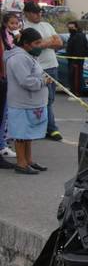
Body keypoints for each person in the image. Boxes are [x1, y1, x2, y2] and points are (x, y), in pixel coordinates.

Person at [4, 28, 51, 175]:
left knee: (27, 135)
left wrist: (42, 79)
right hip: (21, 103)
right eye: (36, 43)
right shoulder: (18, 58)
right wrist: (43, 82)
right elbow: (25, 81)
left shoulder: (28, 55)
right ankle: (21, 163)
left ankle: (28, 160)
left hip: (31, 103)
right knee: (20, 135)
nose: (40, 46)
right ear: (26, 43)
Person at [23, 2, 63, 141]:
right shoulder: (24, 28)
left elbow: (59, 43)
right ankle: (50, 128)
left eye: (39, 12)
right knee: (40, 100)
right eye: (35, 12)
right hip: (37, 68)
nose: (38, 15)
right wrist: (48, 42)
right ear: (27, 13)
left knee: (50, 99)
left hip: (52, 66)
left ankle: (47, 127)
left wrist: (42, 43)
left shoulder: (47, 25)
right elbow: (31, 48)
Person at [0, 12, 22, 166]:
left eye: (16, 23)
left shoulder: (12, 36)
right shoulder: (4, 36)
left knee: (4, 114)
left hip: (5, 78)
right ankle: (2, 145)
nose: (14, 26)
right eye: (11, 23)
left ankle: (2, 144)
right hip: (4, 77)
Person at [65, 21, 88, 96]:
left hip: (76, 62)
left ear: (76, 27)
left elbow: (79, 49)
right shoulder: (72, 36)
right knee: (72, 77)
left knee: (76, 78)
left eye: (72, 27)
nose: (70, 29)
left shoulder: (78, 36)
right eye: (69, 28)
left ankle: (76, 94)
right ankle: (74, 92)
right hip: (72, 60)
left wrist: (75, 61)